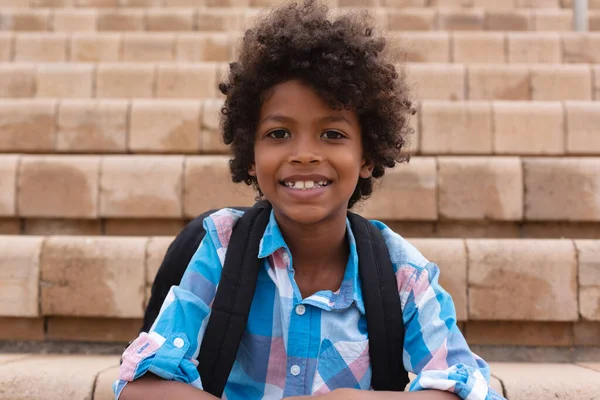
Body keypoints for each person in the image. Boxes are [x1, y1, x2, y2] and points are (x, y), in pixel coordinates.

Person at [114, 1, 504, 399]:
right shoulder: (222, 249)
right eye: (279, 134)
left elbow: (473, 390)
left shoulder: (402, 274)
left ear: (367, 156)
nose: (304, 154)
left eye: (332, 134)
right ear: (251, 156)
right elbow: (139, 387)